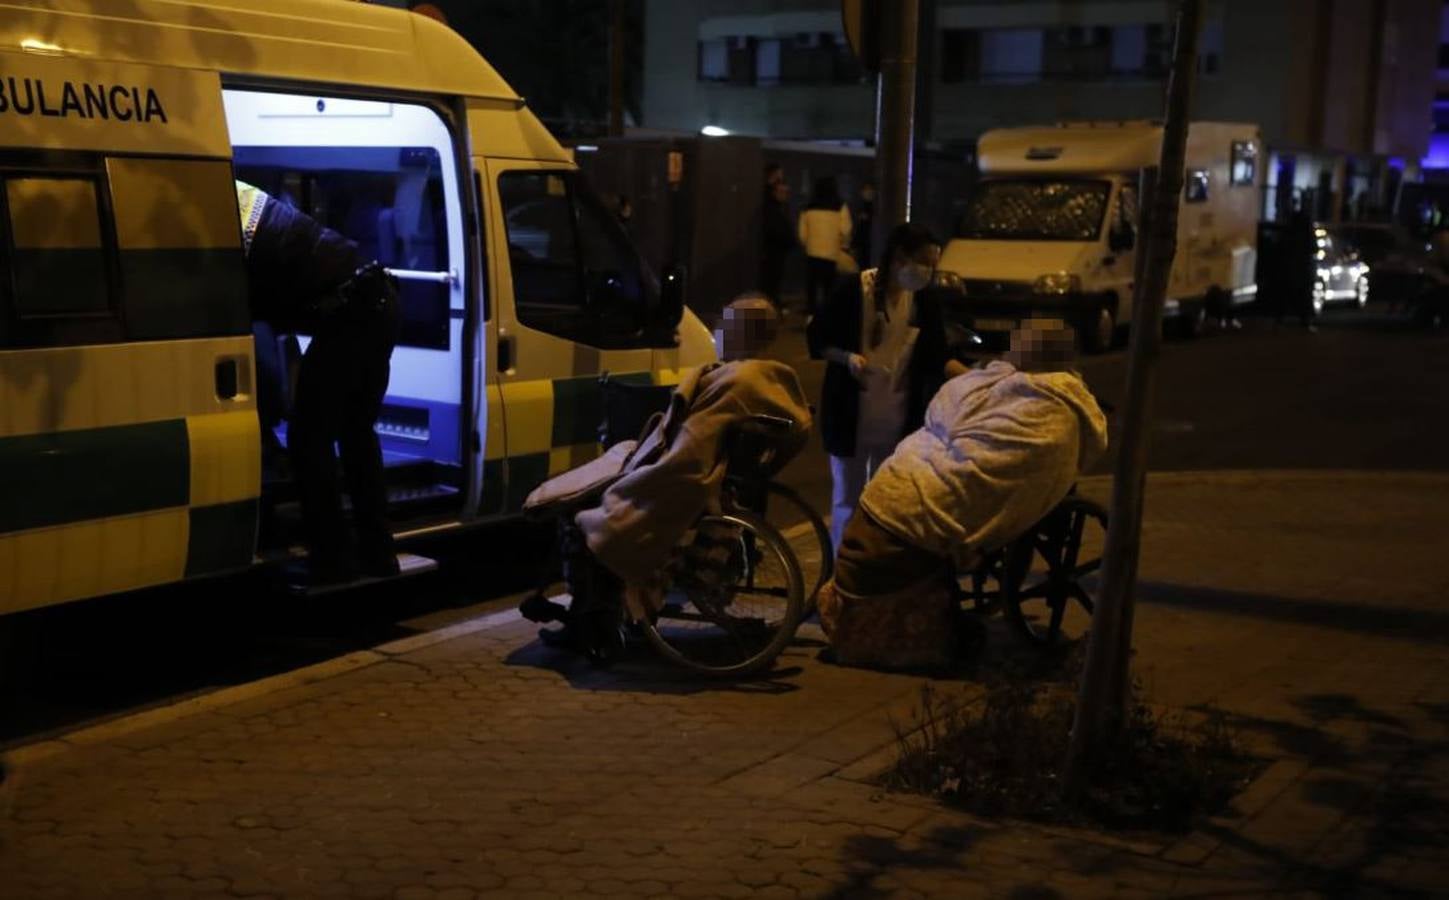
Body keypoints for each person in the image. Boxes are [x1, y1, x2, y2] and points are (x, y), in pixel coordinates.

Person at [522, 295, 812, 650]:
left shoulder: (741, 378)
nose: (718, 330)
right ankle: (599, 617)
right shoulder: (758, 376)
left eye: (725, 324)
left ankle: (593, 624)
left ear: (740, 333)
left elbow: (691, 443)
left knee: (578, 515)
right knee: (590, 488)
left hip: (683, 475)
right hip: (691, 467)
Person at [818, 318, 1109, 670]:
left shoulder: (1022, 395)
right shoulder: (1020, 392)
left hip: (894, 494)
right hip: (910, 501)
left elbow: (961, 424)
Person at [236, 180, 402, 586]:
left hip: (352, 311)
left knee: (308, 440)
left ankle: (332, 560)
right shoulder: (238, 198)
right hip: (377, 301)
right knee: (356, 433)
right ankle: (378, 554)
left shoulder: (223, 224)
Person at [808, 222, 968, 551]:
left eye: (933, 265)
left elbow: (937, 356)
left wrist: (977, 378)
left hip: (896, 418)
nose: (928, 272)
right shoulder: (854, 290)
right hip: (850, 415)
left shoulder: (923, 301)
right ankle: (841, 575)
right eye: (924, 262)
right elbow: (818, 339)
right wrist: (848, 358)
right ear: (899, 258)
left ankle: (873, 571)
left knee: (884, 501)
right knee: (847, 501)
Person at [798, 176, 852, 318]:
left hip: (812, 253)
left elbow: (802, 234)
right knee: (829, 287)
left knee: (812, 287)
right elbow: (846, 230)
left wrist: (809, 245)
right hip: (832, 254)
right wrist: (844, 245)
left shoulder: (808, 207)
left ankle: (811, 316)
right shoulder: (840, 206)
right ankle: (828, 316)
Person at [759, 165, 796, 312]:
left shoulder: (776, 205)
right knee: (771, 279)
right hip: (774, 247)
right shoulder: (771, 206)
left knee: (774, 279)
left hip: (776, 247)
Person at [852, 180, 876, 269]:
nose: (868, 192)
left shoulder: (870, 206)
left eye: (870, 189)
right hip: (864, 243)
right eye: (866, 189)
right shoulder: (862, 206)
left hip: (868, 243)